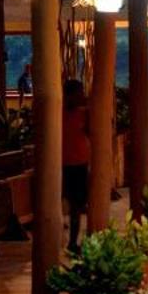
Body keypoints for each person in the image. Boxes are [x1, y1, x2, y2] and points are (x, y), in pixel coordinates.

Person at [61, 78, 91, 249]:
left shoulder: (83, 113)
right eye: (78, 93)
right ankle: (66, 239)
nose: (81, 96)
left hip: (79, 164)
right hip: (63, 165)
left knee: (77, 206)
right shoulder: (58, 112)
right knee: (67, 203)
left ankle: (73, 241)